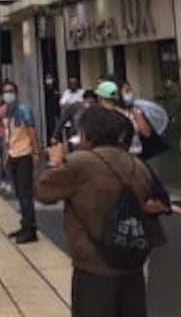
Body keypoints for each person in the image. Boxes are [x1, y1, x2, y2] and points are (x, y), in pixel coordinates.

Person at [35, 106, 159, 317]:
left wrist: (54, 162)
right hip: (132, 260)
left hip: (94, 264)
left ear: (86, 135)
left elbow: (43, 191)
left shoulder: (81, 162)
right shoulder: (137, 165)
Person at [1, 81, 39, 244]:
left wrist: (35, 151)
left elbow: (31, 131)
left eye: (10, 91)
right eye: (5, 92)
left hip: (24, 154)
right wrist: (5, 155)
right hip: (12, 154)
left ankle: (30, 229)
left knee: (25, 194)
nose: (8, 94)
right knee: (19, 193)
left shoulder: (24, 109)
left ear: (16, 93)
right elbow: (6, 135)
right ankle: (24, 225)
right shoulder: (6, 112)